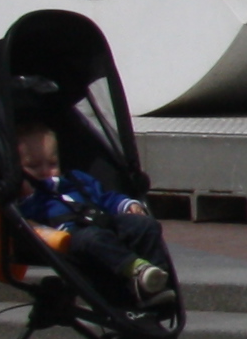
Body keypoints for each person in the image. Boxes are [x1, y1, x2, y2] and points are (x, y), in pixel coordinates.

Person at [10, 115, 176, 310]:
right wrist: (25, 193)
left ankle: (157, 280)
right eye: (34, 167)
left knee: (145, 225)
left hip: (104, 222)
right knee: (93, 239)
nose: (46, 171)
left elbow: (105, 197)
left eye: (52, 164)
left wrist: (127, 205)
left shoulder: (76, 180)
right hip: (72, 237)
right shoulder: (32, 200)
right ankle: (137, 270)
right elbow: (26, 220)